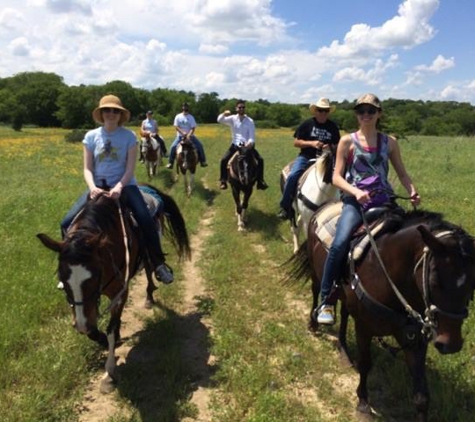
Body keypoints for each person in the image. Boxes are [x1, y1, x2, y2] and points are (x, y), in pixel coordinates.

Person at [316, 93, 421, 325]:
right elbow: (336, 177)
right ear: (356, 114)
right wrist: (355, 192)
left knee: (409, 240)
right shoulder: (347, 141)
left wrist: (412, 190)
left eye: (370, 111)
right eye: (361, 111)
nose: (365, 115)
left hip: (385, 200)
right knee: (340, 242)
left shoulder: (390, 142)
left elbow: (401, 173)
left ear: (379, 114)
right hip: (356, 202)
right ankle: (326, 301)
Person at [60, 94, 174, 284]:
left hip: (125, 186)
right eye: (107, 110)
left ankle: (158, 264)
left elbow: (130, 168)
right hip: (97, 188)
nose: (111, 113)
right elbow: (87, 168)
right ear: (101, 113)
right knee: (66, 223)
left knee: (145, 219)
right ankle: (69, 267)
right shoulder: (91, 136)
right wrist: (93, 187)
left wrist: (120, 186)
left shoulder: (128, 136)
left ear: (120, 115)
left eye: (115, 111)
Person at [277, 98, 340, 220]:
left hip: (327, 159)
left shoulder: (333, 127)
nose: (323, 113)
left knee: (342, 178)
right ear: (315, 111)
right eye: (320, 110)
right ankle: (285, 207)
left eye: (325, 111)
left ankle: (342, 206)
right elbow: (296, 142)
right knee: (293, 175)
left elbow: (338, 144)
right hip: (307, 157)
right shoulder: (307, 124)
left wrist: (330, 146)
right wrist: (312, 143)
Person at [217, 100, 268, 190]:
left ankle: (260, 181)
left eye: (243, 107)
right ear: (236, 109)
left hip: (248, 146)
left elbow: (252, 136)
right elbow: (219, 120)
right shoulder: (232, 118)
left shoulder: (250, 121)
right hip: (236, 144)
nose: (241, 109)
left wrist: (249, 143)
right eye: (239, 107)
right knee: (223, 160)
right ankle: (223, 180)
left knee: (260, 160)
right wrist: (224, 113)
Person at [166, 102, 207, 168]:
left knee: (200, 145)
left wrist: (188, 135)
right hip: (180, 136)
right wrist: (182, 133)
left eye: (186, 107)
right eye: (184, 107)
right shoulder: (178, 116)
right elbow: (176, 127)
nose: (185, 108)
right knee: (173, 147)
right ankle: (170, 162)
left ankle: (203, 161)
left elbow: (193, 128)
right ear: (182, 108)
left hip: (190, 136)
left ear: (188, 108)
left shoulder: (191, 117)